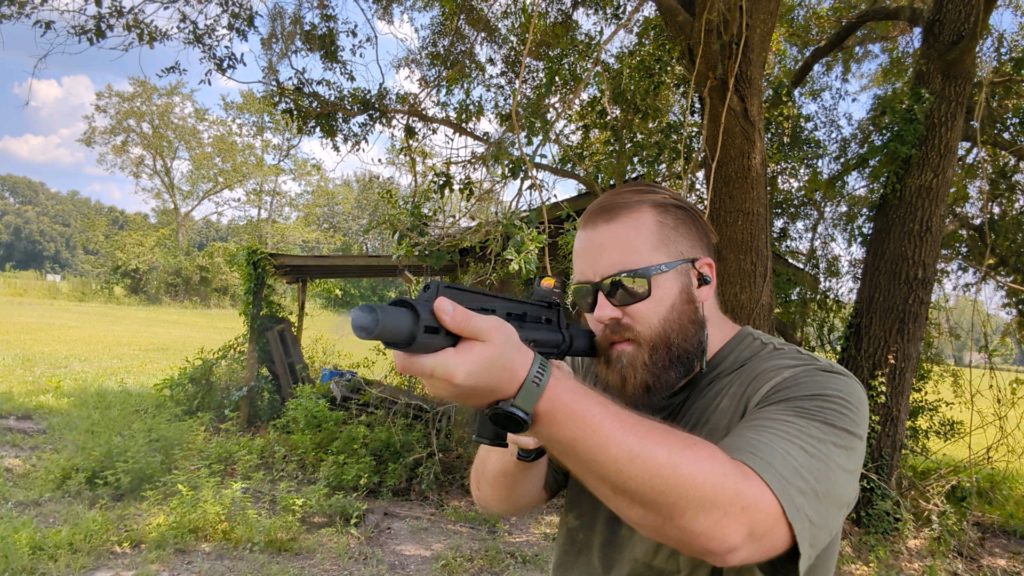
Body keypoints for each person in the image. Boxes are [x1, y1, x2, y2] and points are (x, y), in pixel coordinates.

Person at [393, 181, 869, 575]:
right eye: (587, 293)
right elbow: (496, 499)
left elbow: (736, 528)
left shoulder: (815, 390)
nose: (601, 312)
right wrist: (526, 427)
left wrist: (535, 387)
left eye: (626, 285)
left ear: (701, 278)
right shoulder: (585, 372)